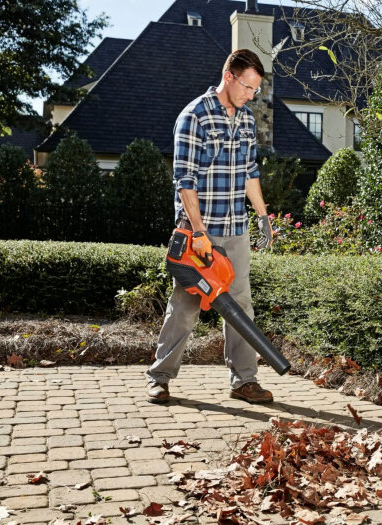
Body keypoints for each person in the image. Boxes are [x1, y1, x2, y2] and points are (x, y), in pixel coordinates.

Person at [145, 49, 275, 404]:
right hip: (199, 232)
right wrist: (200, 233)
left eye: (255, 90)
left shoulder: (247, 120)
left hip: (235, 228)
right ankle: (160, 376)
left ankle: (244, 381)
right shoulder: (195, 116)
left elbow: (250, 172)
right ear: (229, 76)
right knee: (186, 307)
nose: (252, 95)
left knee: (241, 307)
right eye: (248, 87)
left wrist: (263, 215)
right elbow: (184, 180)